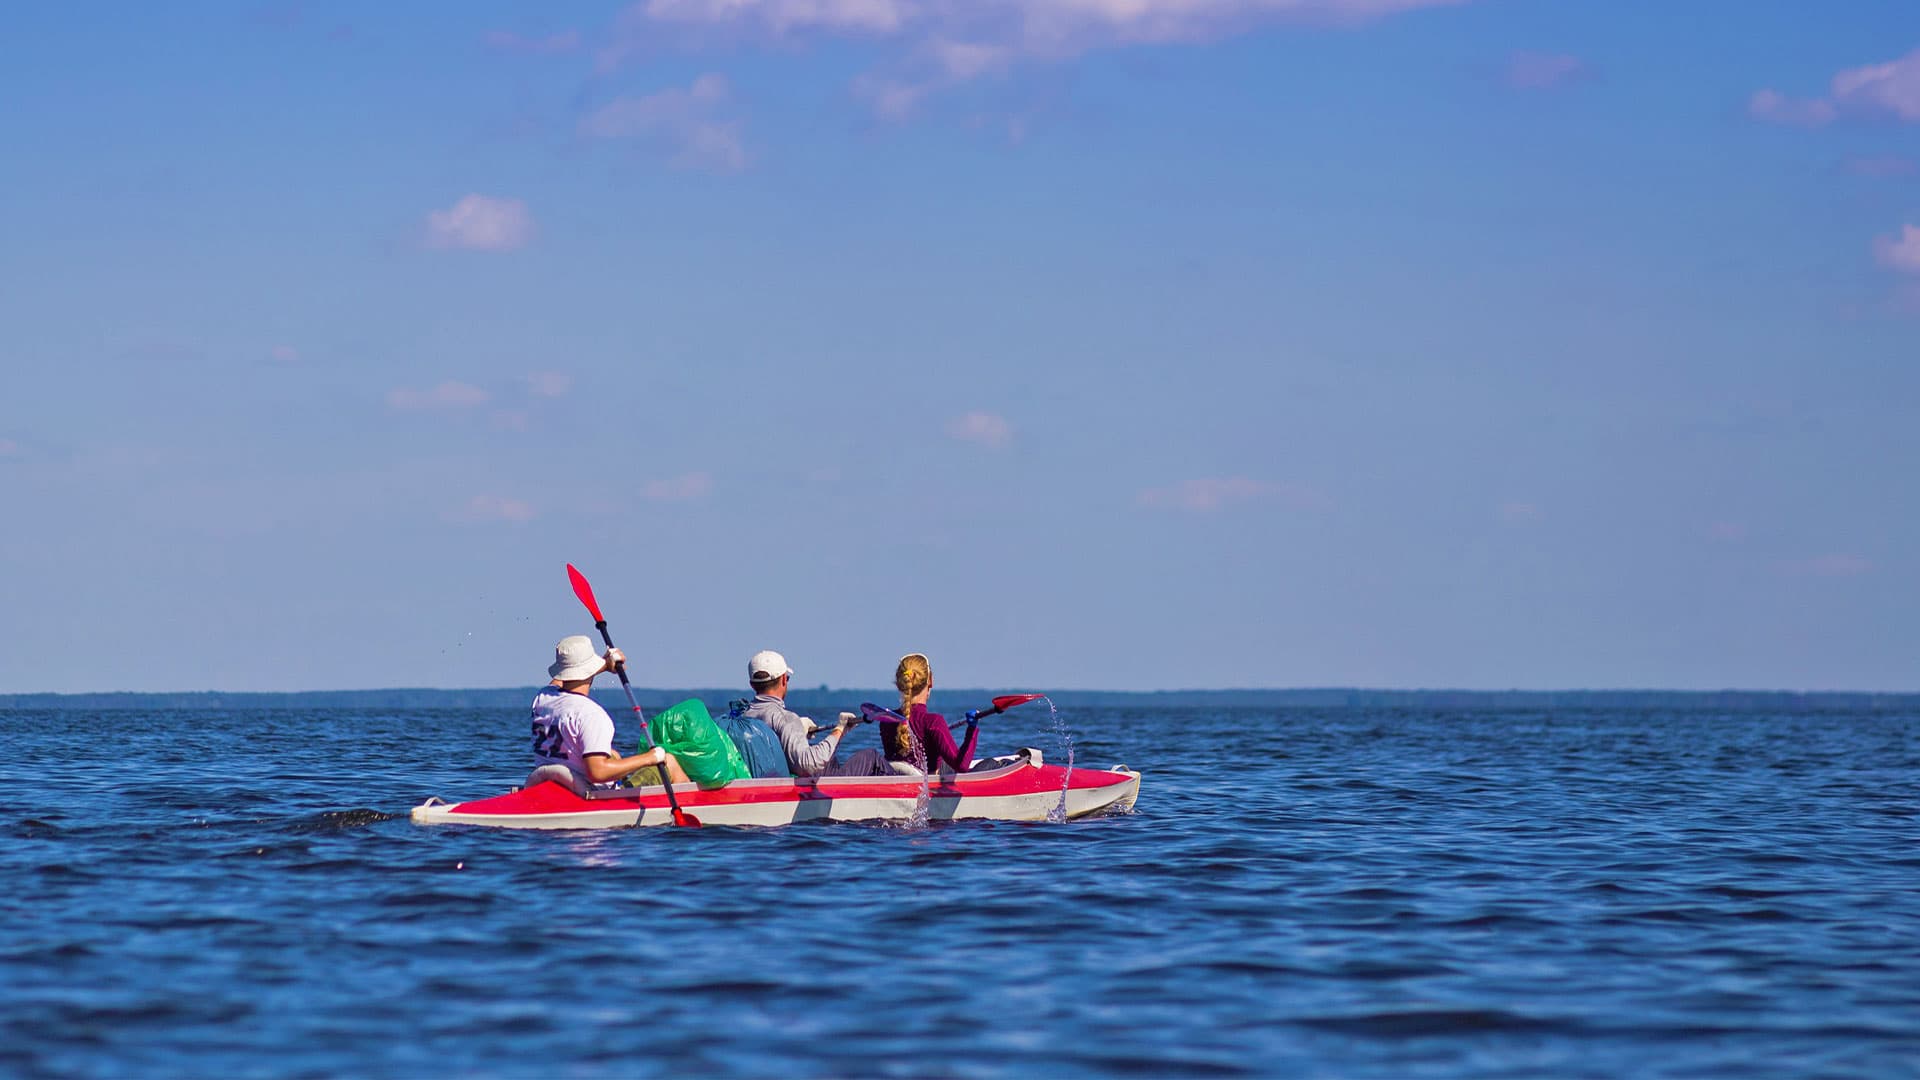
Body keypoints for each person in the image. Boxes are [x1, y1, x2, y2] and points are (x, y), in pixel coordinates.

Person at [529, 635, 688, 790]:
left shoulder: (542, 698)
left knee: (613, 754)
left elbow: (561, 681)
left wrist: (605, 665)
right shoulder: (590, 714)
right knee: (670, 761)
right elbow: (597, 773)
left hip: (554, 783)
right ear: (589, 669)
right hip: (592, 795)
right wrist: (651, 757)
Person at [741, 649, 887, 778]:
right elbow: (807, 765)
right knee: (871, 757)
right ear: (784, 679)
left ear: (752, 684)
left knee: (831, 760)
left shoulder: (743, 716)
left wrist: (799, 731)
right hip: (792, 788)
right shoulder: (785, 718)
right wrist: (840, 730)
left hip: (768, 778)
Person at [881, 652, 979, 774]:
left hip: (900, 779)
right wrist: (972, 730)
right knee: (993, 764)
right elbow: (961, 766)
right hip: (927, 784)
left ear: (899, 684)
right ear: (930, 681)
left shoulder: (886, 720)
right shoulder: (934, 722)